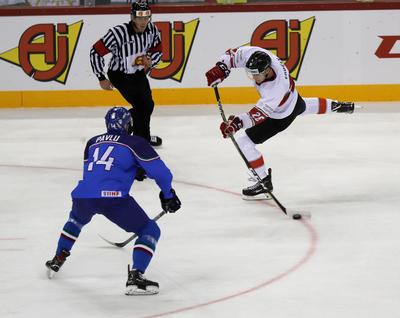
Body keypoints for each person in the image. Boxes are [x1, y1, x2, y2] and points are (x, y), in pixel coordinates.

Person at [45, 107, 181, 296]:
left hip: (83, 194)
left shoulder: (92, 143)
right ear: (128, 125)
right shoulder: (135, 142)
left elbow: (99, 171)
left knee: (75, 221)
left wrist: (133, 170)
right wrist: (168, 195)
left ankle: (58, 257)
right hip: (113, 199)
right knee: (149, 230)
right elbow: (162, 173)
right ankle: (136, 276)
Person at [205, 46, 355, 200]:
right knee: (304, 106)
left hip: (280, 117)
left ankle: (263, 182)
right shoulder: (258, 55)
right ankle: (340, 106)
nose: (253, 79)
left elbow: (257, 115)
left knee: (244, 141)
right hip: (294, 100)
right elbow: (233, 54)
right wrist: (222, 67)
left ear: (267, 72)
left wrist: (236, 123)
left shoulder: (275, 89)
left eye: (255, 75)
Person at [90, 1, 162, 181]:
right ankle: (141, 153)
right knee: (141, 107)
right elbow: (95, 51)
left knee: (147, 106)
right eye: (139, 16)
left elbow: (157, 49)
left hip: (137, 74)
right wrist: (101, 77)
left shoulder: (152, 30)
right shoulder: (118, 32)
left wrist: (151, 60)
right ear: (132, 16)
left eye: (146, 16)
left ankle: (128, 132)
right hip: (119, 74)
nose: (143, 20)